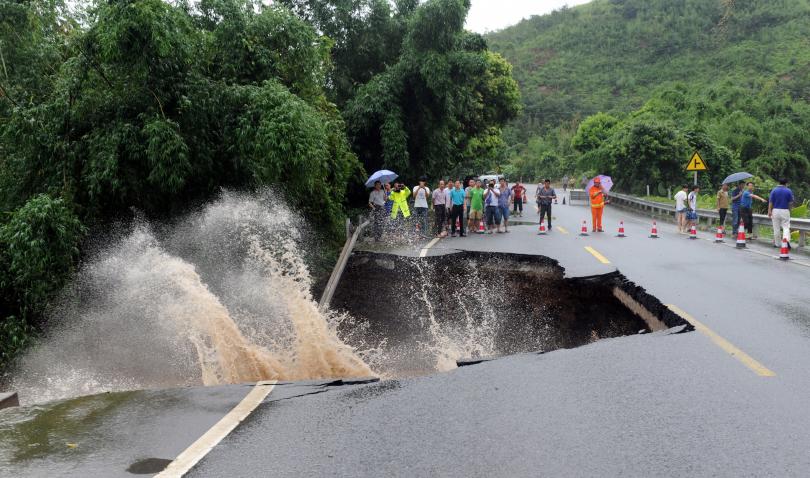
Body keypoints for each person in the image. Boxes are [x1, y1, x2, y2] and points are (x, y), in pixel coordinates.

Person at [768, 178, 794, 248]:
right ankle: (785, 241)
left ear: (779, 182)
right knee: (786, 227)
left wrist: (769, 211)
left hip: (775, 210)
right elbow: (791, 202)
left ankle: (777, 244)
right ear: (786, 183)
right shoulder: (788, 191)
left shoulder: (774, 190)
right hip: (785, 210)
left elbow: (771, 202)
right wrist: (790, 210)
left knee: (776, 228)